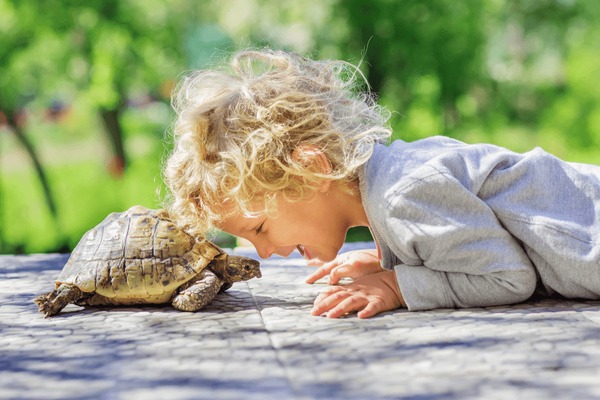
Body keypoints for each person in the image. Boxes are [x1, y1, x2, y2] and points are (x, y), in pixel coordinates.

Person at [163, 49, 600, 319]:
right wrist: (393, 258)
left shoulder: (402, 196)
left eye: (259, 229)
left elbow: (508, 276)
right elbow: (470, 234)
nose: (262, 251)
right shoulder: (396, 177)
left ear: (312, 170)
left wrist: (397, 285)